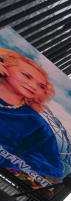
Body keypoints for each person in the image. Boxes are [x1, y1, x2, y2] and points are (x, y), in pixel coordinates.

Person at [0, 47, 63, 186]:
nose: (34, 86)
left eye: (41, 86)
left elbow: (51, 174)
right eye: (27, 76)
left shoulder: (35, 123)